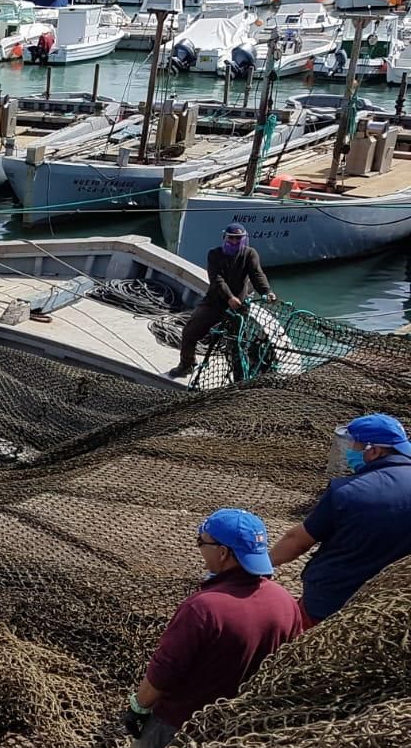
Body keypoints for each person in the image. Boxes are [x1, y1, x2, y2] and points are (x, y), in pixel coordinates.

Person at [113, 508, 302, 748]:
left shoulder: (203, 609)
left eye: (202, 542)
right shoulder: (285, 602)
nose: (200, 549)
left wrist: (138, 708)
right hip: (233, 730)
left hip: (174, 723)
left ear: (223, 553)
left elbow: (163, 673)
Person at [269, 413, 411, 627]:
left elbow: (297, 541)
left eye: (353, 445)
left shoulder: (346, 491)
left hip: (331, 604)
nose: (349, 451)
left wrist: (261, 564)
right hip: (393, 607)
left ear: (373, 451)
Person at [168, 224, 277, 379]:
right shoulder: (214, 254)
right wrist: (229, 297)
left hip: (238, 307)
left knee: (237, 344)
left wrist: (267, 291)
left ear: (244, 239)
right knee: (190, 332)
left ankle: (239, 379)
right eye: (231, 238)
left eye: (238, 238)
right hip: (214, 302)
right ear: (224, 237)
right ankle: (187, 365)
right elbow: (216, 280)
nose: (234, 241)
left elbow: (257, 274)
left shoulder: (250, 254)